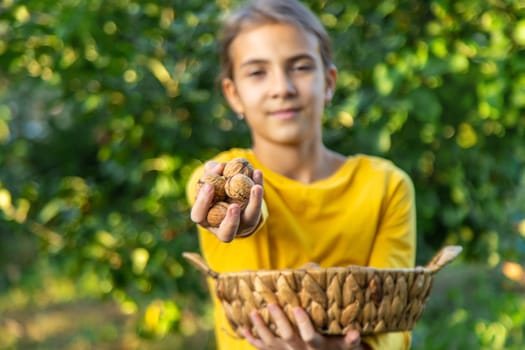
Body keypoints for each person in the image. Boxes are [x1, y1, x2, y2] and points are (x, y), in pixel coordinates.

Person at [186, 0, 417, 349]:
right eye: (257, 72)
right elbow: (252, 210)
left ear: (329, 82)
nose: (282, 88)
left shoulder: (386, 186)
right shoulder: (213, 179)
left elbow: (392, 319)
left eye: (300, 67)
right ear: (233, 95)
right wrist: (244, 220)